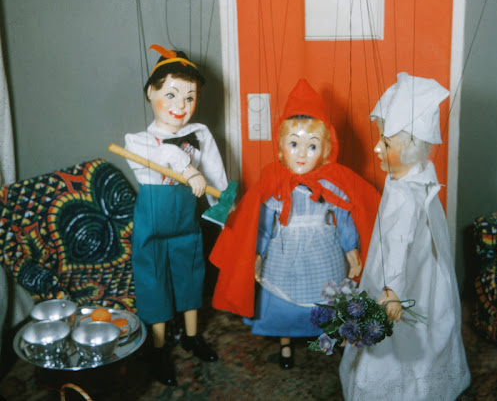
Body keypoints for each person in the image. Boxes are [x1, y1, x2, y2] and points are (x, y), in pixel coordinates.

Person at [209, 78, 380, 369]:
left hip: (324, 251)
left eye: (312, 146)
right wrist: (258, 253)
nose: (302, 153)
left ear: (325, 150)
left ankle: (332, 335)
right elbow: (262, 224)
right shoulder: (274, 183)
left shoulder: (332, 182)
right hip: (284, 253)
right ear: (281, 148)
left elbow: (343, 217)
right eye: (294, 144)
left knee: (328, 295)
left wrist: (352, 248)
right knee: (282, 301)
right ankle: (285, 343)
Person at [339, 72, 470, 400]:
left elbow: (398, 244)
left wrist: (393, 289)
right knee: (427, 322)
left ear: (409, 150)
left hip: (400, 275)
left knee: (401, 335)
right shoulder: (419, 175)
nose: (376, 148)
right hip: (424, 269)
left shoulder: (404, 196)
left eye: (385, 143)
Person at [125, 44, 228, 385]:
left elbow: (215, 175)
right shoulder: (138, 140)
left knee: (190, 272)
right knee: (153, 279)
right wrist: (187, 168)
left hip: (186, 218)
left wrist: (225, 211)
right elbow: (165, 155)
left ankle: (191, 336)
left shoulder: (199, 134)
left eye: (189, 97)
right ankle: (158, 348)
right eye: (170, 94)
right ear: (150, 93)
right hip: (153, 220)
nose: (180, 106)